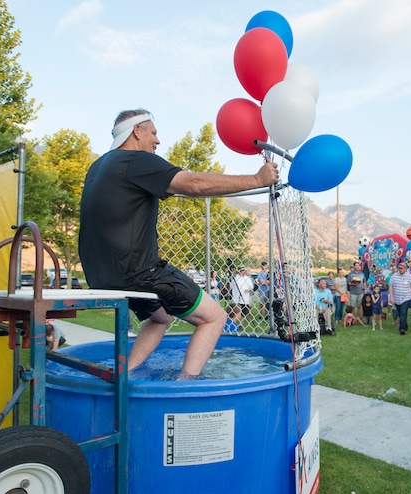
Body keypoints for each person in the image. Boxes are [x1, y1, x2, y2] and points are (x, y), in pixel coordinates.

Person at [78, 109, 279, 380]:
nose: (158, 141)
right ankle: (185, 386)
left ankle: (124, 372)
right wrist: (257, 180)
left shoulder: (99, 167)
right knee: (214, 318)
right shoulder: (136, 161)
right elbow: (193, 184)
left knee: (161, 317)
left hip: (102, 276)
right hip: (139, 273)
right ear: (137, 131)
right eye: (154, 132)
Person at [388, 261, 411, 335]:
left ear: (405, 269)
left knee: (403, 313)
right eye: (399, 268)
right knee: (400, 314)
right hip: (397, 298)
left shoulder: (410, 277)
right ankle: (405, 325)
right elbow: (390, 286)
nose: (400, 270)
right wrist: (391, 297)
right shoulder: (394, 276)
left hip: (406, 298)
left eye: (401, 268)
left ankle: (402, 329)